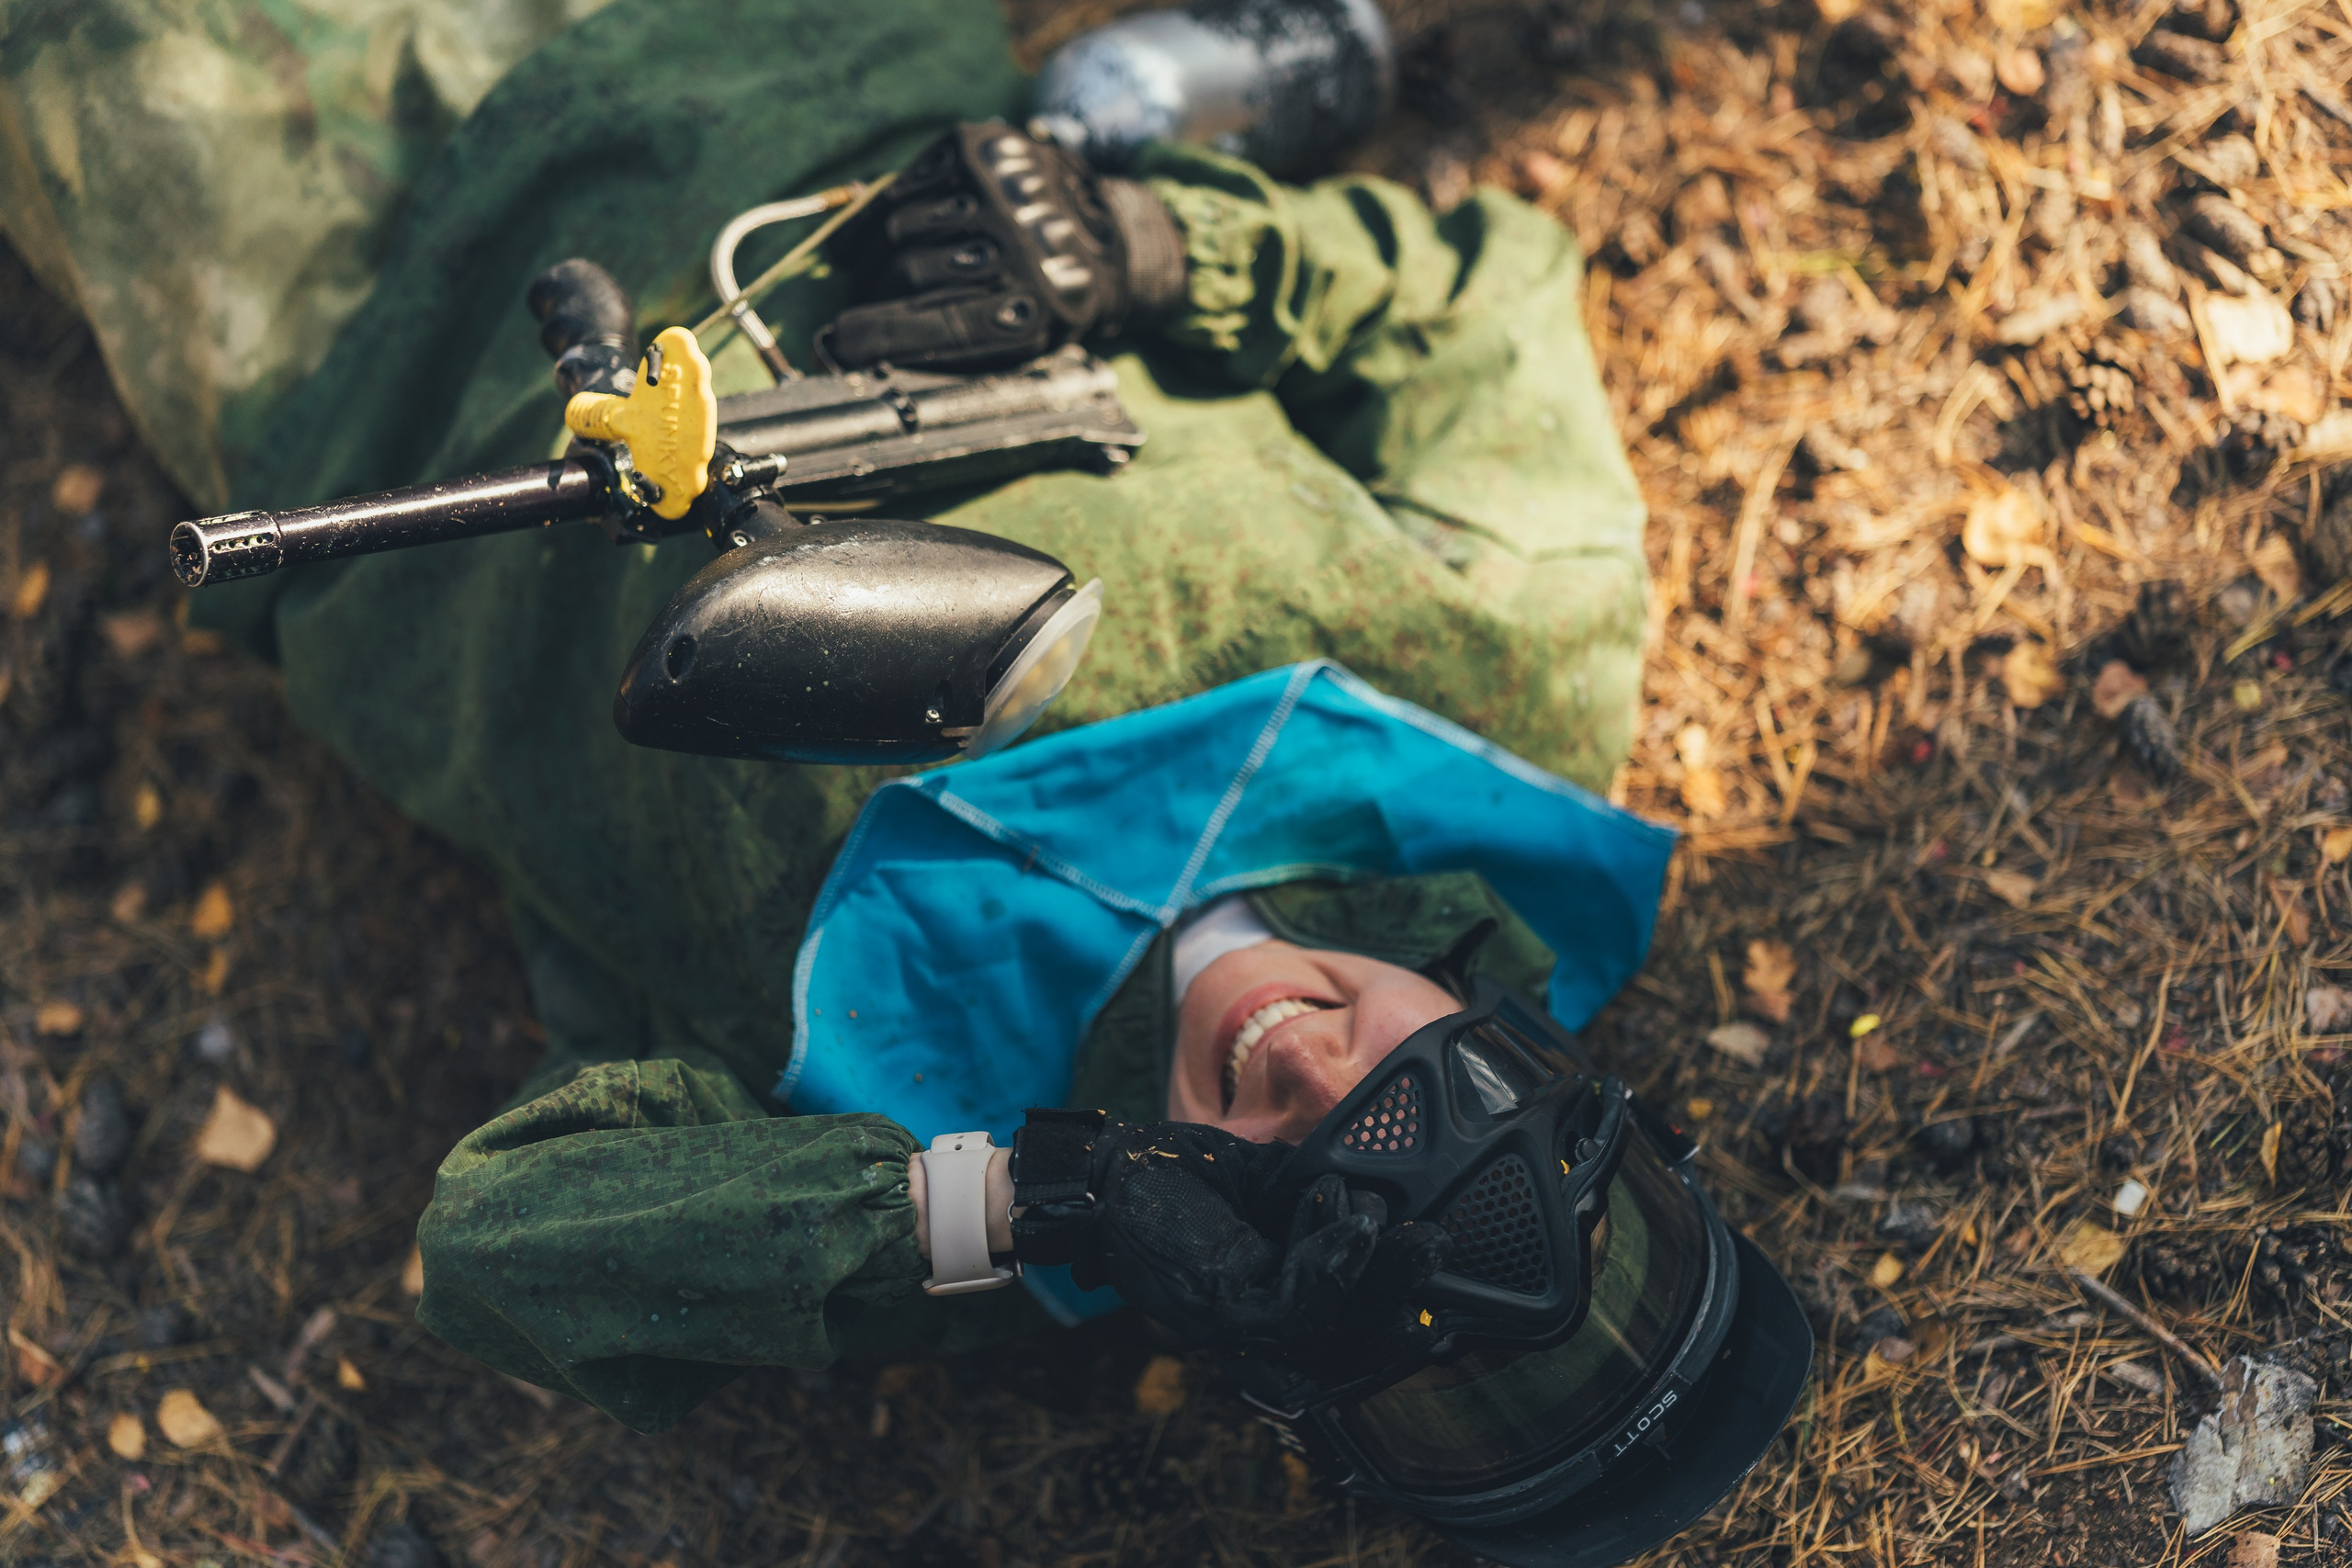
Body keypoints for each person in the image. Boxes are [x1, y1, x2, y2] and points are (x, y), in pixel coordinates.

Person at [2, 2, 1804, 1562]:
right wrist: (1142, 250)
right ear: (1546, 1065)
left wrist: (1027, 1202)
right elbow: (1480, 304)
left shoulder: (913, 1171)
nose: (1304, 1069)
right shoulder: (1495, 700)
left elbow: (498, 1243)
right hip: (789, 55)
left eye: (1304, 1207)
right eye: (1431, 1101)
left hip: (351, 340)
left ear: (1243, 1325)